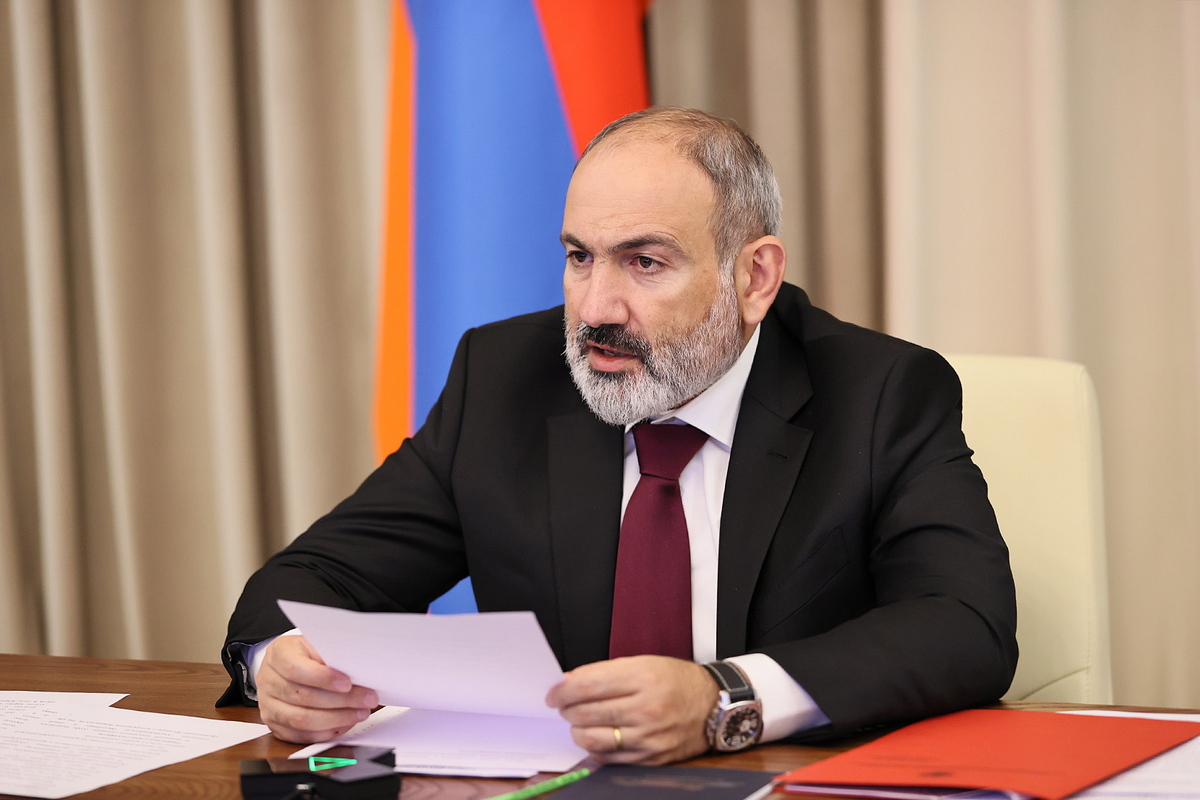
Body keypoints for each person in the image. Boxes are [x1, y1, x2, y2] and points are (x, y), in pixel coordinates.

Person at [219, 107, 1017, 765]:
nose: (596, 308)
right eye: (579, 257)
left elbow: (963, 623)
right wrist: (280, 662)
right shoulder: (504, 379)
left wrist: (724, 699)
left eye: (645, 263)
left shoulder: (878, 393)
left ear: (754, 278)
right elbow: (319, 575)